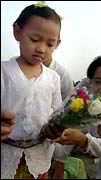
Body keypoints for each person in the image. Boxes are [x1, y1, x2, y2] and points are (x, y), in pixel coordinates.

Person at [1, 2, 74, 179]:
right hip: (6, 154)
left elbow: (56, 114)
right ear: (17, 32)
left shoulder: (53, 78)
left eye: (50, 44)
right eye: (34, 40)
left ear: (57, 43)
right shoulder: (4, 71)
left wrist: (55, 129)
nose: (41, 48)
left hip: (39, 155)